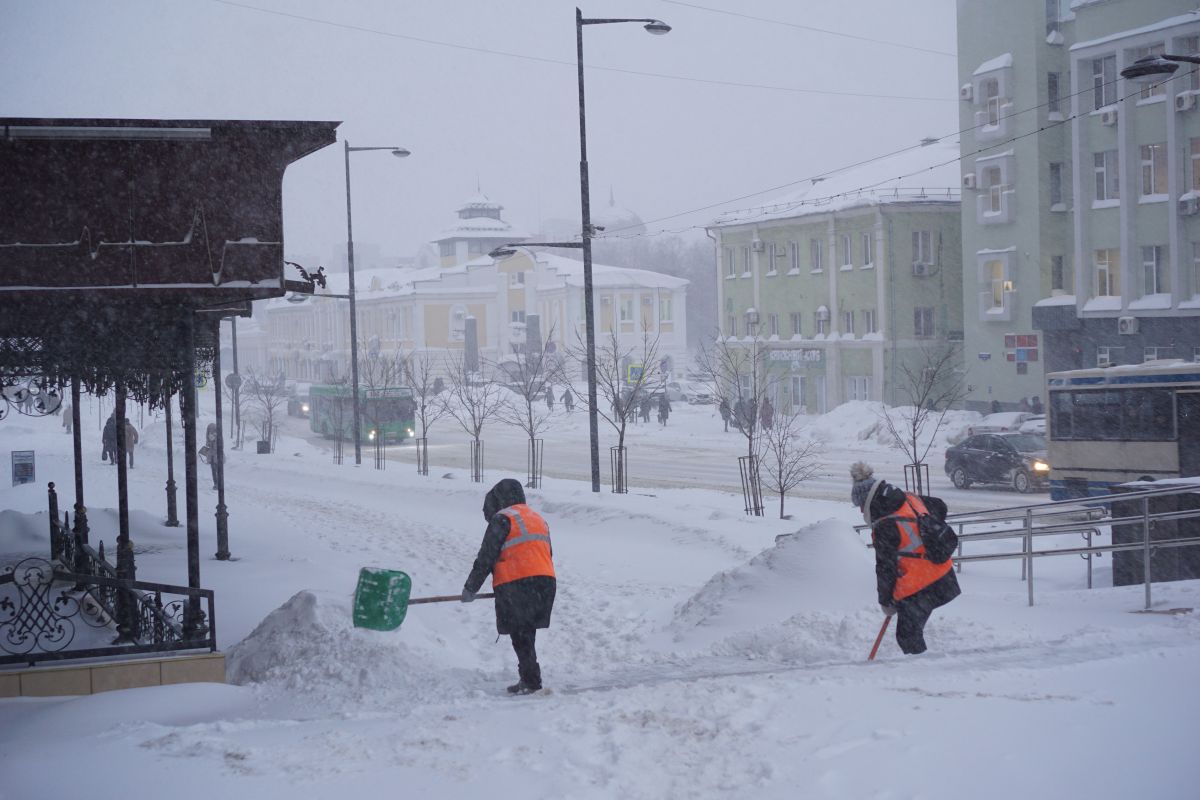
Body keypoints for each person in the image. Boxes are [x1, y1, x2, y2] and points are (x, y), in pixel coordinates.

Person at [850, 461, 960, 656]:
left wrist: (886, 602)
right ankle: (922, 665)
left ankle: (922, 669)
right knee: (909, 632)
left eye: (861, 505)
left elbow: (885, 568)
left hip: (925, 584)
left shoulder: (885, 524)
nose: (860, 511)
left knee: (907, 635)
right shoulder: (907, 498)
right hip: (943, 575)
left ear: (868, 501)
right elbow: (940, 506)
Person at [462, 478, 556, 694]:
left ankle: (531, 681)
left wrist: (470, 588)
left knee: (520, 634)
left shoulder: (502, 519)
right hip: (545, 581)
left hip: (518, 583)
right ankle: (529, 678)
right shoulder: (537, 518)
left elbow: (486, 557)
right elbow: (547, 552)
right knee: (526, 632)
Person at [204, 422, 221, 490]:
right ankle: (216, 483)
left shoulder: (217, 437)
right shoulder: (208, 437)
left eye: (212, 429)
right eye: (209, 429)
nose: (211, 431)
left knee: (217, 470)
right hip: (212, 457)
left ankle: (218, 483)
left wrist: (213, 443)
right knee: (214, 471)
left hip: (216, 456)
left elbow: (220, 446)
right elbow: (207, 447)